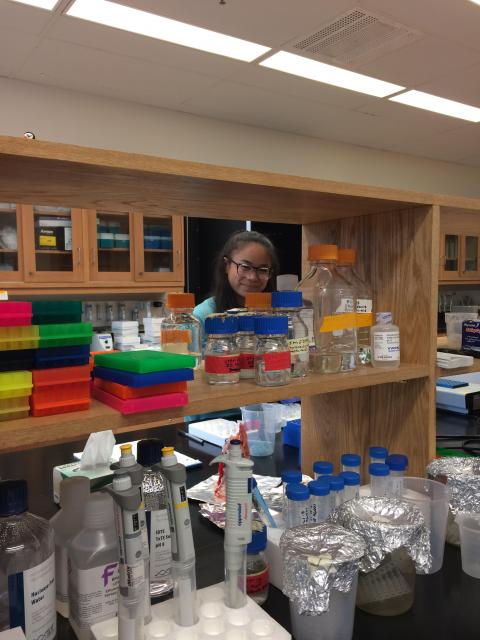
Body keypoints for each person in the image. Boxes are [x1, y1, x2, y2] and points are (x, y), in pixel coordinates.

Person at [193, 230, 279, 329]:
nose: (252, 277)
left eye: (262, 270)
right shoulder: (202, 317)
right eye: (245, 267)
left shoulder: (278, 313)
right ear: (227, 265)